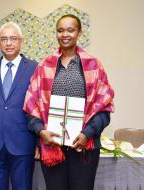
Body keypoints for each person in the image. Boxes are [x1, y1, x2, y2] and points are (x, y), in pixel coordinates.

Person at [23, 14, 114, 190]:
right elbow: (31, 106)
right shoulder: (44, 66)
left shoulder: (94, 65)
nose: (65, 34)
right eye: (60, 30)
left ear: (79, 32)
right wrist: (41, 131)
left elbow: (104, 109)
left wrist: (87, 133)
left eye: (70, 30)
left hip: (84, 146)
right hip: (52, 146)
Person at [0, 22, 39, 190]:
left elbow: (40, 107)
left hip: (24, 141)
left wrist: (39, 142)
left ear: (21, 41)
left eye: (13, 38)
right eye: (4, 39)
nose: (8, 43)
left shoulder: (35, 68)